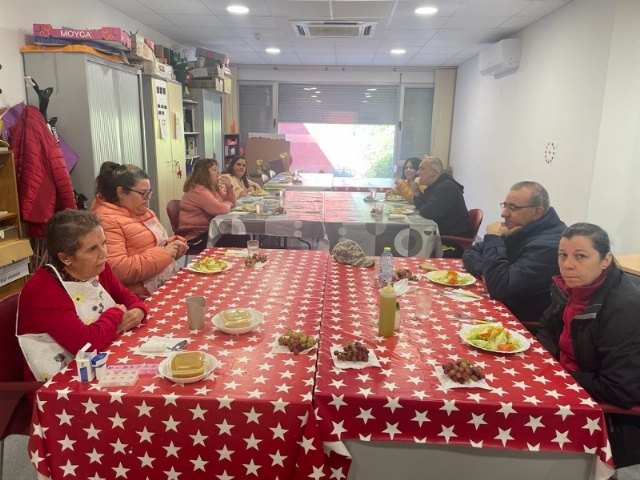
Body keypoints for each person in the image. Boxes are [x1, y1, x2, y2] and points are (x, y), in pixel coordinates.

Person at [536, 223, 640, 476]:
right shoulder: (570, 288)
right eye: (562, 255)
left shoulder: (624, 308)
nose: (567, 265)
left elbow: (620, 389)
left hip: (607, 417)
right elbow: (547, 330)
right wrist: (544, 366)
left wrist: (554, 376)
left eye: (580, 256)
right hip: (565, 384)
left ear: (606, 260)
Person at [17, 210, 147, 381]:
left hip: (100, 358)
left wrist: (138, 310)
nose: (104, 254)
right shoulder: (42, 291)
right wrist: (116, 312)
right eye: (92, 249)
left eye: (103, 243)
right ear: (65, 258)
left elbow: (128, 298)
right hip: (58, 381)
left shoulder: (99, 268)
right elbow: (86, 344)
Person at [462, 181, 565, 324]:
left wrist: (494, 239)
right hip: (499, 303)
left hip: (519, 321)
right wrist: (486, 273)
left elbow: (499, 287)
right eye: (505, 206)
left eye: (513, 208)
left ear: (537, 212)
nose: (504, 213)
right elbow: (471, 252)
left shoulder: (549, 246)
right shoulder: (522, 227)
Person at [92, 162, 187, 298]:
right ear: (121, 192)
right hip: (141, 297)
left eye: (149, 193)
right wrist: (165, 253)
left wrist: (174, 246)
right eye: (143, 193)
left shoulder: (143, 211)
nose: (147, 199)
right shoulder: (106, 220)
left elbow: (152, 246)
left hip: (166, 281)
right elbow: (119, 270)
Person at [412, 156, 472, 256]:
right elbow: (423, 207)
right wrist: (417, 193)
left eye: (422, 169)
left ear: (434, 172)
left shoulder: (446, 187)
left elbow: (427, 212)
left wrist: (423, 205)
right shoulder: (435, 186)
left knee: (412, 241)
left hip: (452, 242)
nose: (417, 172)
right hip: (442, 233)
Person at [179, 158, 236, 242]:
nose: (218, 173)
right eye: (214, 170)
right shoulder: (198, 190)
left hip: (208, 230)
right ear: (204, 173)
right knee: (241, 239)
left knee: (241, 236)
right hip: (196, 235)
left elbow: (233, 203)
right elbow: (221, 209)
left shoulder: (212, 188)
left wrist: (229, 187)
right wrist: (228, 203)